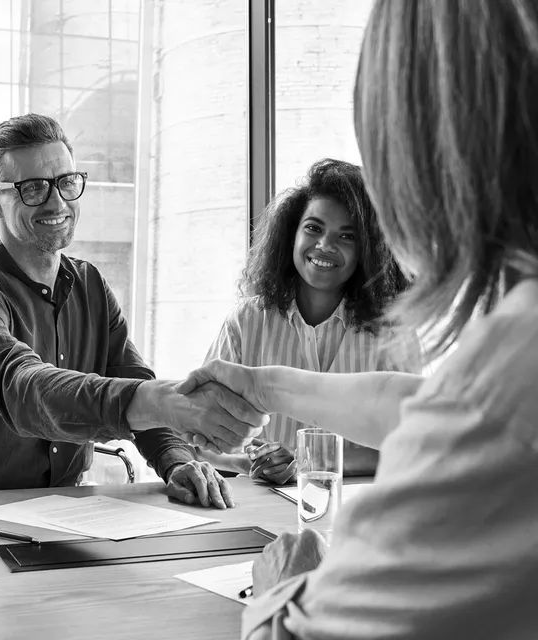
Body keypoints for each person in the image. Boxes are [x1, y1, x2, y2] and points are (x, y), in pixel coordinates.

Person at [182, 0, 538, 636]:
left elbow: (300, 633)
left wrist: (284, 582)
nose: (325, 248)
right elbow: (419, 406)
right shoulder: (510, 349)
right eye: (314, 229)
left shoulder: (510, 361)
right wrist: (263, 386)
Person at [0, 113, 268, 508]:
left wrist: (176, 461)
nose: (57, 202)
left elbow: (133, 377)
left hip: (71, 508)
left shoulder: (90, 284)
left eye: (67, 182)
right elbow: (25, 390)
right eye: (32, 188)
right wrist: (162, 401)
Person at [198, 159, 420, 483]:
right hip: (260, 515)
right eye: (314, 228)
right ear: (291, 234)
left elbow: (414, 444)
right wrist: (252, 461)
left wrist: (308, 459)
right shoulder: (246, 323)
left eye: (347, 236)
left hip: (353, 516)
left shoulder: (392, 333)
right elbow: (200, 436)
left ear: (367, 251)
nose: (325, 246)